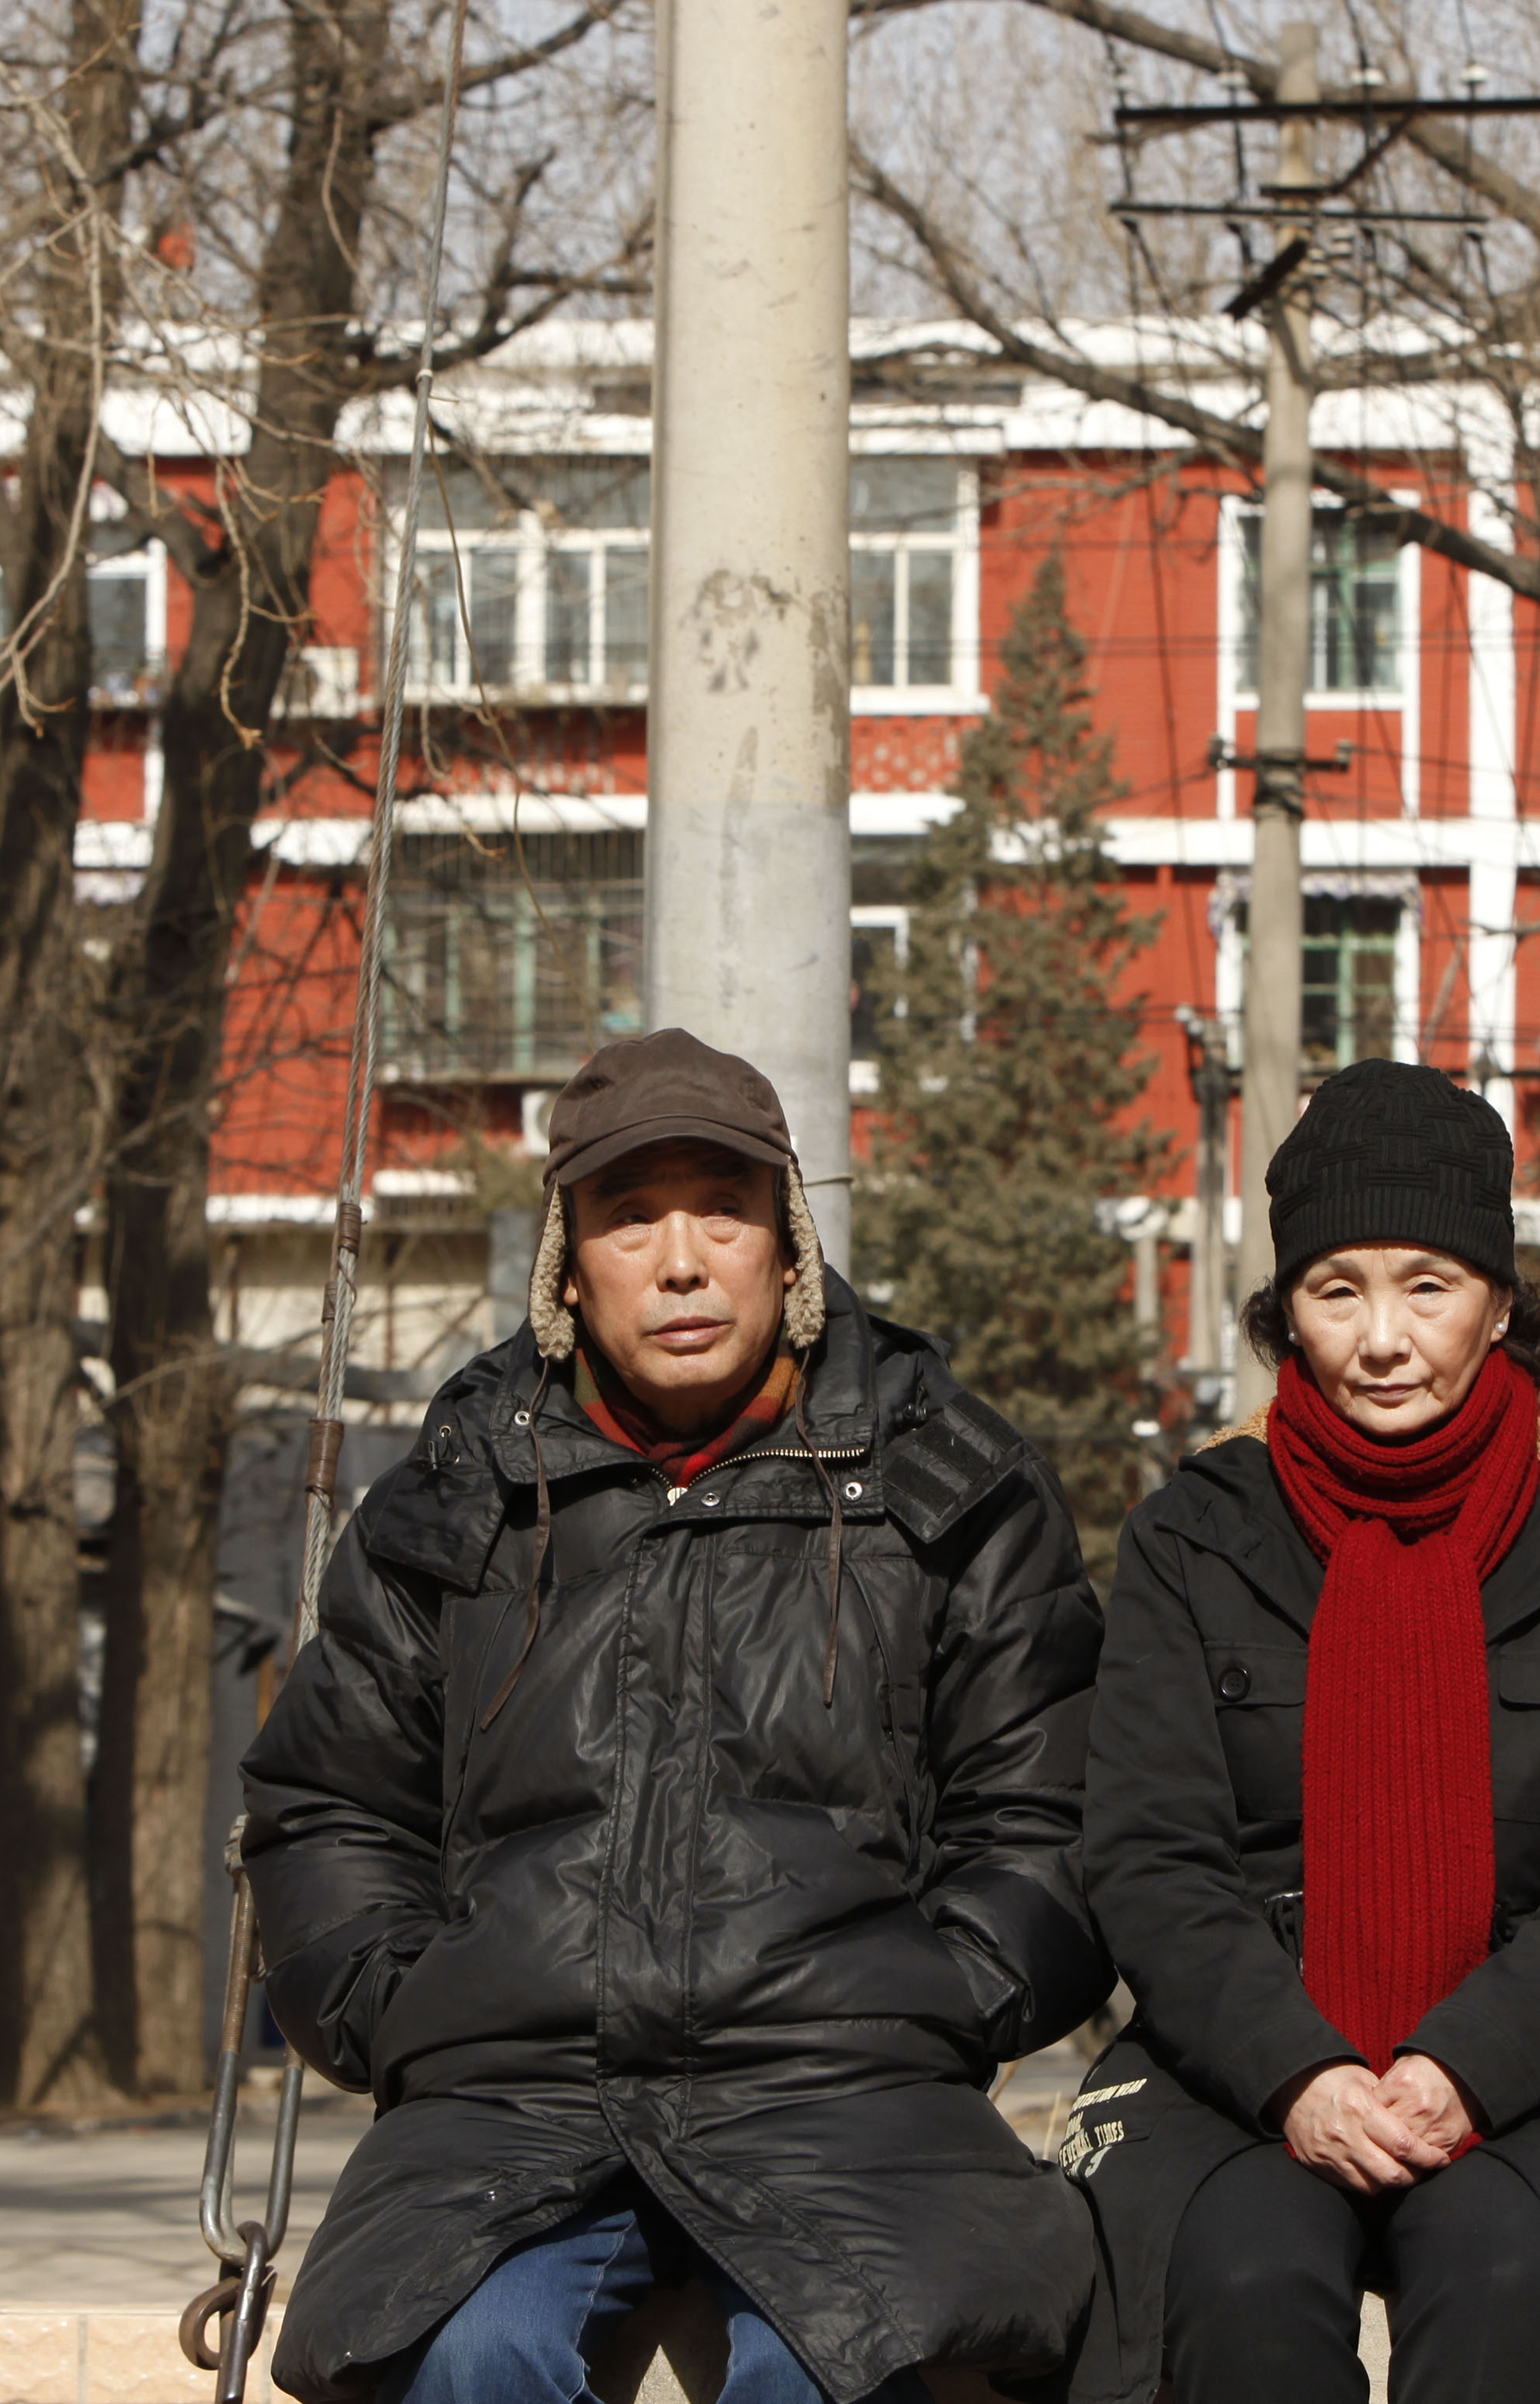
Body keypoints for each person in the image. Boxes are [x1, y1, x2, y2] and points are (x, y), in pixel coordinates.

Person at [240, 1028, 1105, 2404]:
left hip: (850, 2098)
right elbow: (329, 1802)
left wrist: (940, 1996)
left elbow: (1048, 1810)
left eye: (724, 1209)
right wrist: (408, 2008)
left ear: (788, 1241)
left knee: (835, 2370)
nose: (683, 1260)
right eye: (632, 1217)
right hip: (512, 2103)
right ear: (567, 1262)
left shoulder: (947, 1481)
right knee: (467, 2359)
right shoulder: (462, 1491)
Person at [1061, 1060, 1540, 2404]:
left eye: (1427, 1286)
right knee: (1243, 2278)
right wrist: (1300, 2072)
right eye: (1338, 1291)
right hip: (1237, 2076)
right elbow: (1148, 1851)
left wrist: (1465, 2063)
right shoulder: (1196, 1532)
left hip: (1538, 2078)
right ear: (1288, 1311)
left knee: (1506, 2271)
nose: (1383, 1339)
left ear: (1501, 1301)